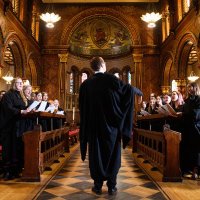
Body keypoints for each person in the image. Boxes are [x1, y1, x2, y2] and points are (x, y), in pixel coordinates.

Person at [79, 57, 143, 195]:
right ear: (103, 65)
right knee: (112, 155)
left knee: (96, 156)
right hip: (111, 128)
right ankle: (111, 186)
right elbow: (128, 90)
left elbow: (82, 109)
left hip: (93, 128)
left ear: (92, 67)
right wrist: (138, 92)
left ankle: (97, 186)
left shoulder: (85, 85)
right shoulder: (111, 80)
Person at [0, 77, 30, 180]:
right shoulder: (8, 95)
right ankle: (7, 171)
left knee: (16, 149)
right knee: (8, 149)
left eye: (22, 83)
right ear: (14, 83)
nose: (21, 85)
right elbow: (8, 108)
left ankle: (16, 171)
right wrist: (21, 112)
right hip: (9, 127)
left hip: (18, 127)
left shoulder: (20, 96)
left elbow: (22, 107)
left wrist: (29, 110)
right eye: (19, 83)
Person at [181, 82, 200, 179]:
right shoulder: (187, 100)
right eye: (188, 87)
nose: (188, 89)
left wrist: (185, 114)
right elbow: (184, 111)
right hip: (187, 127)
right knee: (187, 148)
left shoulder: (198, 99)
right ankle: (187, 168)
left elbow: (196, 114)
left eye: (190, 87)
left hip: (195, 127)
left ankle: (196, 170)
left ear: (195, 88)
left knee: (196, 150)